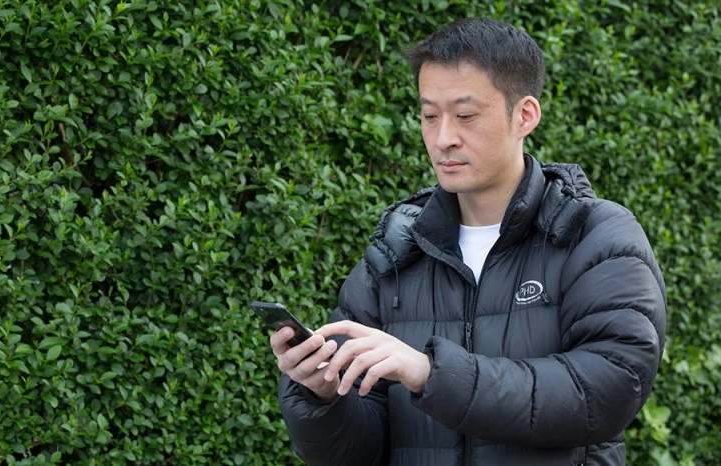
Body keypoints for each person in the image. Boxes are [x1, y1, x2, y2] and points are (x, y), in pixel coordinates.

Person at [270, 17, 667, 466]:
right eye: (429, 116)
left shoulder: (594, 236)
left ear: (525, 115)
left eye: (465, 116)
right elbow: (357, 452)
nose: (443, 139)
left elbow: (606, 389)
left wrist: (430, 373)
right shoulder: (398, 250)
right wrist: (323, 397)